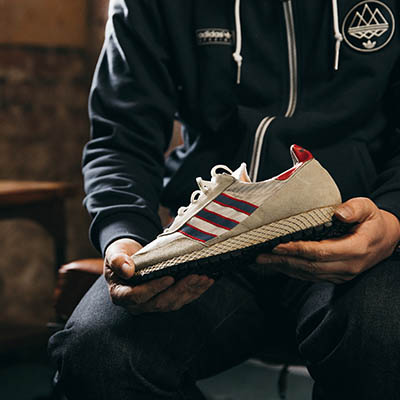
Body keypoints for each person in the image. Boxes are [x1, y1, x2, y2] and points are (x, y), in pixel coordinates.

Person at [49, 0, 400, 399]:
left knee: (383, 333)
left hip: (355, 234)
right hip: (210, 243)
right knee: (98, 354)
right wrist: (124, 237)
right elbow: (121, 139)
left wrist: (393, 218)